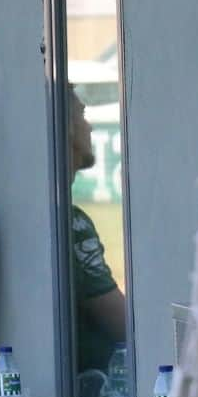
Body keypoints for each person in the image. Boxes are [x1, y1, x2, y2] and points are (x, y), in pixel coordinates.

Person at [67, 89, 126, 375]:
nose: (88, 126)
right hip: (92, 391)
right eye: (82, 114)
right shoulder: (72, 223)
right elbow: (121, 323)